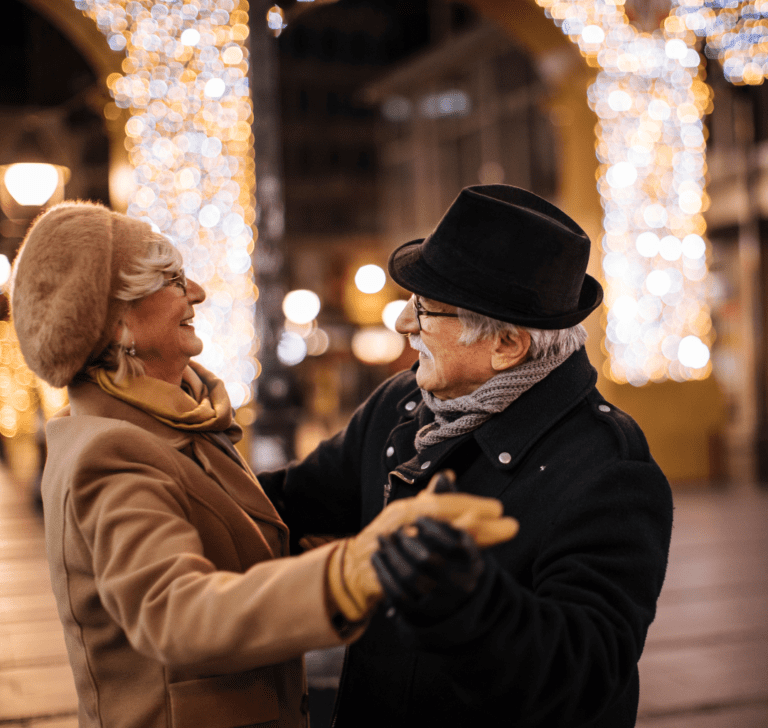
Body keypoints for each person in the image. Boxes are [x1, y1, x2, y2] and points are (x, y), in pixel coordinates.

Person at [9, 201, 517, 728]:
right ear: (119, 324)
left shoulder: (174, 422)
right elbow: (175, 614)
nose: (198, 293)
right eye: (172, 280)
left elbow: (245, 545)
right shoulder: (111, 451)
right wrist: (355, 570)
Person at [258, 184, 674, 728]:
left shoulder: (609, 470)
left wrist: (469, 601)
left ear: (505, 345)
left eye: (426, 310)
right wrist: (176, 467)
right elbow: (288, 505)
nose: (404, 324)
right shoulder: (401, 405)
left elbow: (585, 675)